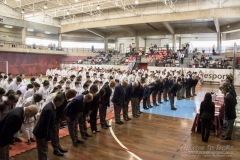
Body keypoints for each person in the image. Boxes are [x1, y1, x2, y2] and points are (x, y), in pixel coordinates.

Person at [33, 92, 66, 160]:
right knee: (43, 150)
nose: (62, 104)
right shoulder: (49, 109)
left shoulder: (52, 106)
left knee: (44, 149)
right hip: (41, 133)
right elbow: (45, 125)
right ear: (57, 101)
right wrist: (47, 137)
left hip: (43, 132)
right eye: (61, 102)